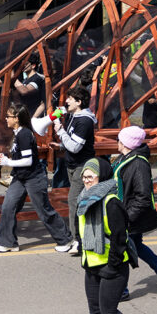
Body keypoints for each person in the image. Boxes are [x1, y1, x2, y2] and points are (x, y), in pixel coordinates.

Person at [0, 104, 74, 253]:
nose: (6, 119)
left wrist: (7, 162)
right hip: (20, 177)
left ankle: (66, 240)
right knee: (8, 207)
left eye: (8, 116)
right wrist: (6, 158)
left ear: (16, 118)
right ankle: (8, 242)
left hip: (33, 178)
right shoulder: (18, 133)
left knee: (44, 210)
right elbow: (20, 155)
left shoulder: (24, 134)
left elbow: (28, 161)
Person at [113, 126, 157, 300]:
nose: (117, 141)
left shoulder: (138, 164)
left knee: (121, 250)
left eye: (119, 139)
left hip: (130, 215)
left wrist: (125, 218)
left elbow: (143, 197)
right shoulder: (124, 157)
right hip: (124, 212)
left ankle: (121, 290)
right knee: (136, 246)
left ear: (125, 143)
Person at [76, 157, 134, 314]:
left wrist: (112, 266)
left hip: (112, 267)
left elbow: (119, 238)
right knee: (95, 313)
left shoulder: (111, 203)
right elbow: (78, 229)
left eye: (90, 176)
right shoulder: (83, 200)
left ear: (101, 177)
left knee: (108, 311)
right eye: (84, 177)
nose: (86, 180)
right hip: (91, 265)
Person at [53, 85, 97, 251]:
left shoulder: (84, 121)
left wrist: (60, 130)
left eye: (70, 99)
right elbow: (70, 142)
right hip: (72, 165)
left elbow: (76, 147)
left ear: (78, 102)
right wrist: (60, 144)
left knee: (74, 201)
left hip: (82, 166)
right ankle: (83, 237)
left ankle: (76, 240)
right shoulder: (73, 117)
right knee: (79, 202)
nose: (66, 102)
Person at [12, 53, 46, 118]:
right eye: (22, 64)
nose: (23, 66)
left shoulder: (38, 78)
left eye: (26, 64)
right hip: (25, 116)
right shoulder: (24, 80)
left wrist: (13, 77)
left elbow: (24, 91)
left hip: (35, 117)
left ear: (33, 66)